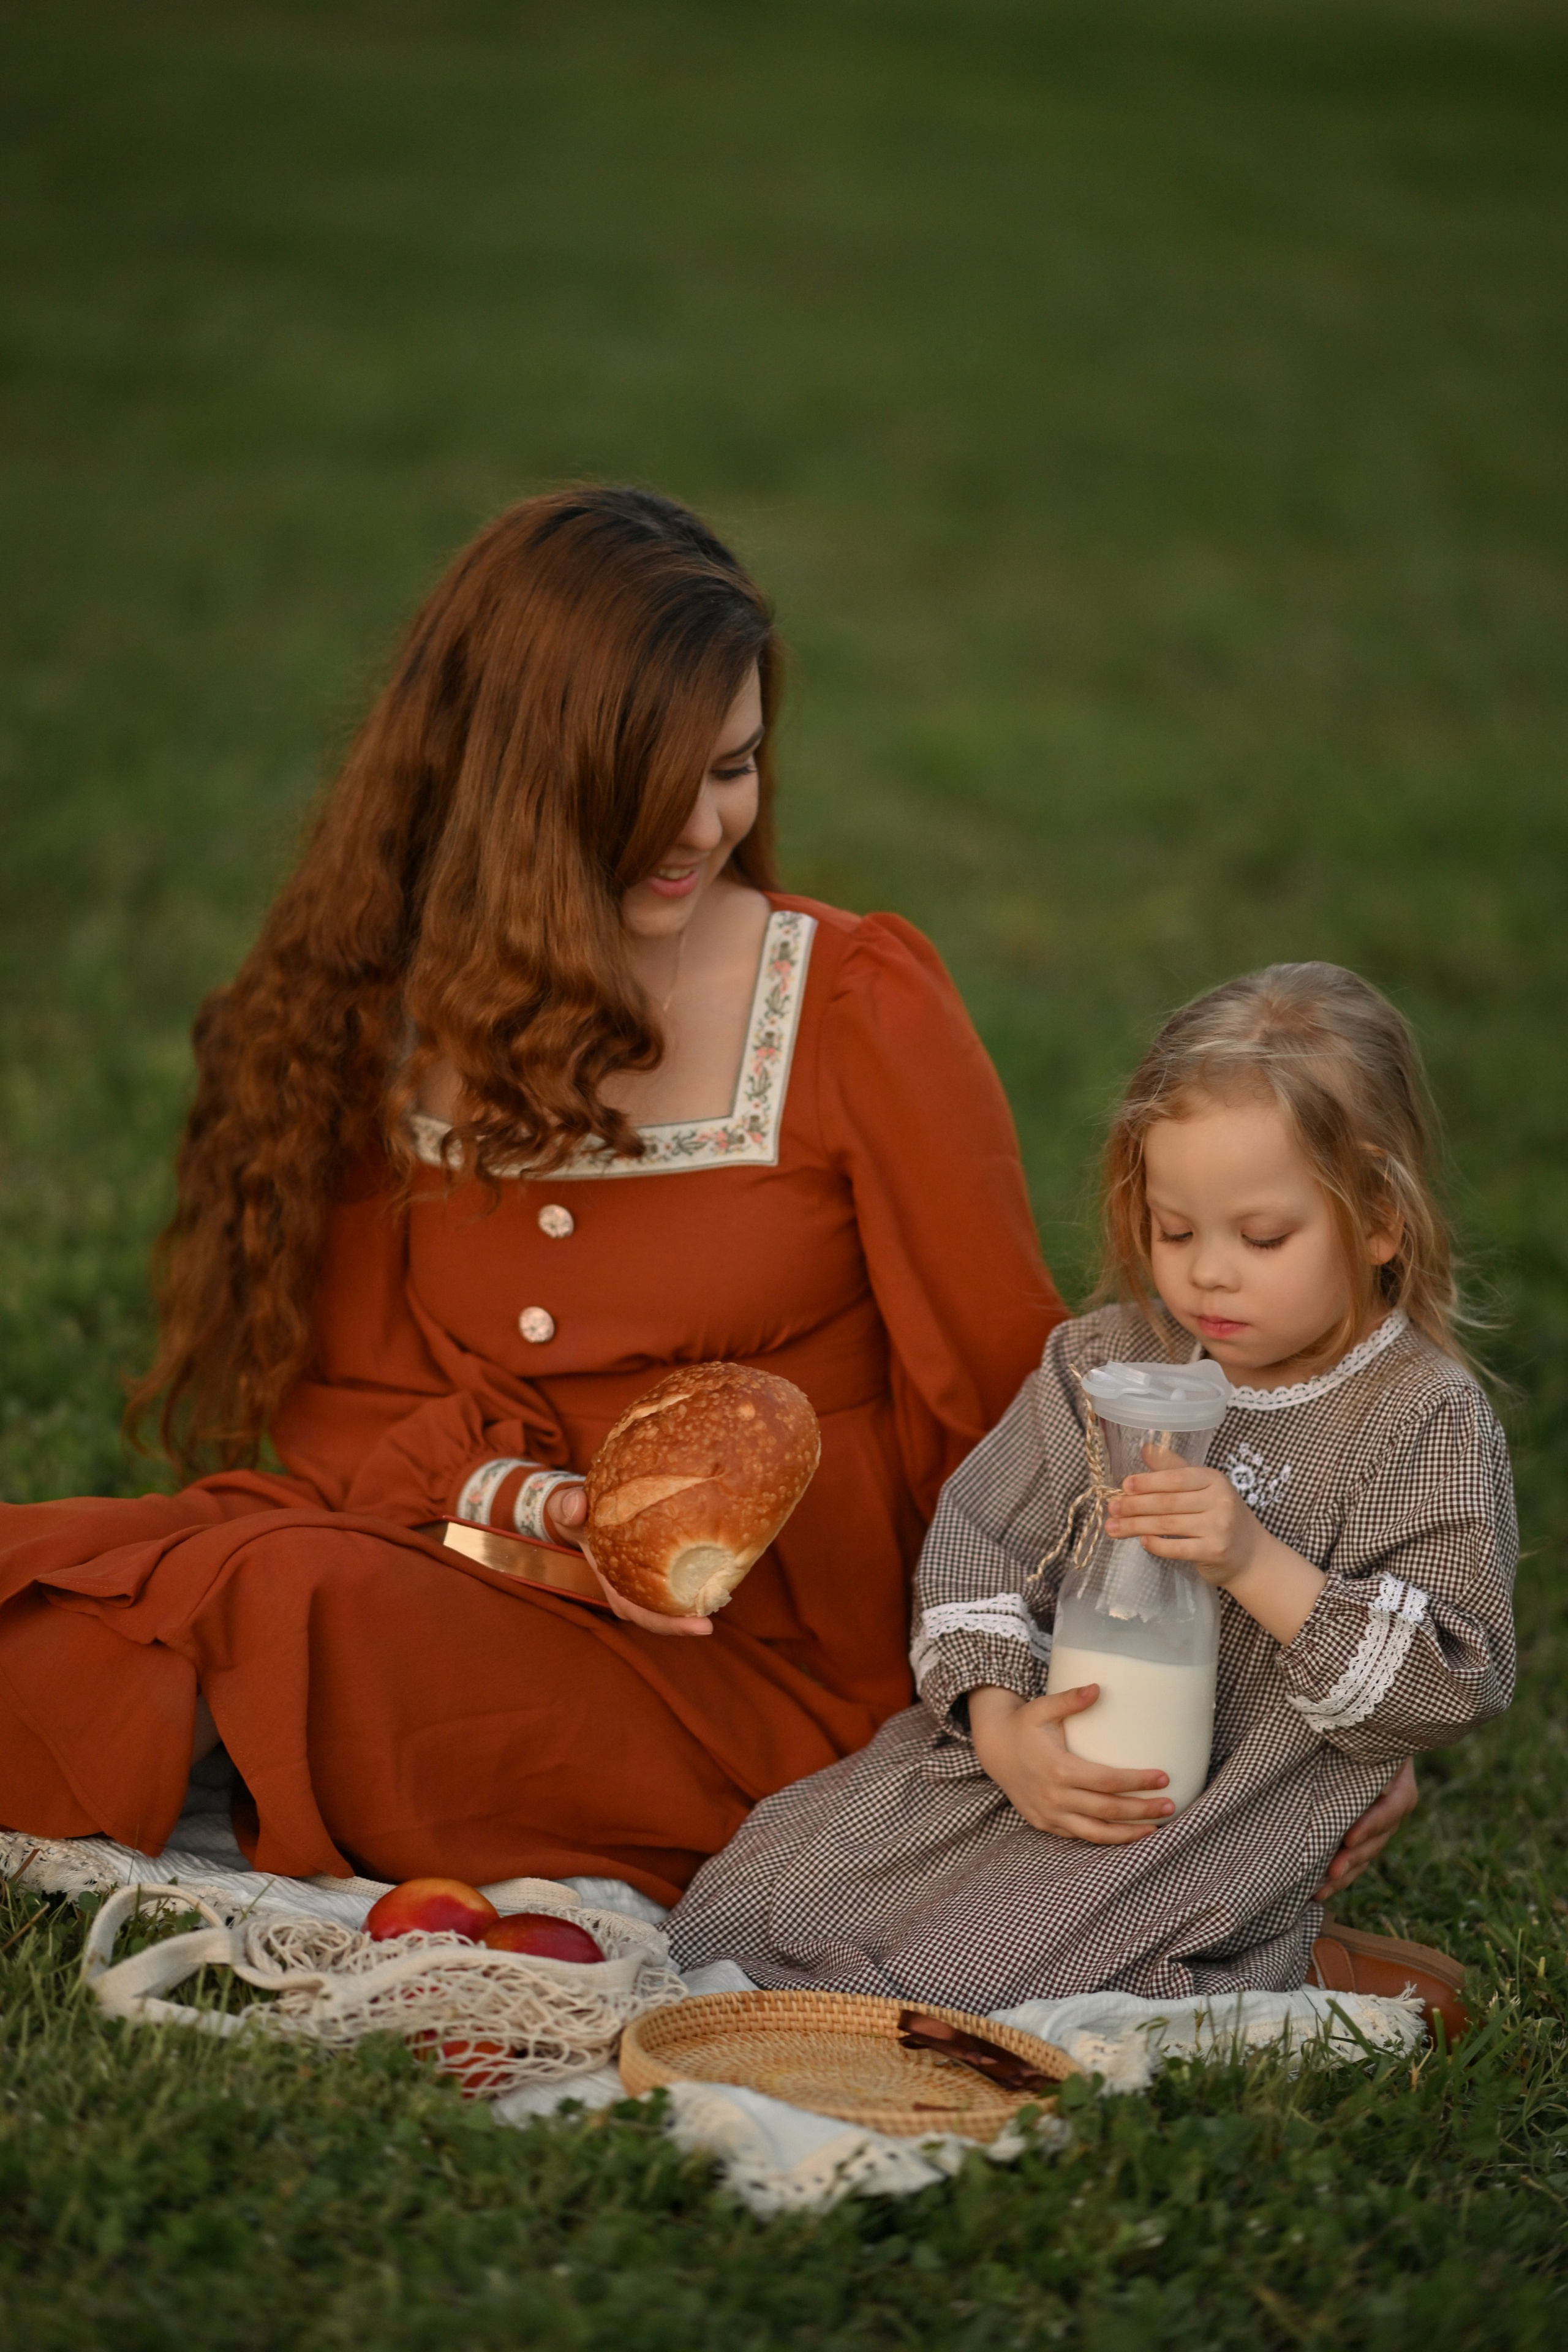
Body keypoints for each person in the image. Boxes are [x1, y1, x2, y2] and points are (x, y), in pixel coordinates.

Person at [0, 490, 1413, 1910]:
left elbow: (1007, 1395)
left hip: (781, 1671)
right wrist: (559, 1514)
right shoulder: (394, 1020)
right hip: (472, 1568)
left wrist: (1275, 1690)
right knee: (86, 1576)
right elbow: (353, 1416)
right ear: (521, 783)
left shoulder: (853, 1003)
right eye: (648, 784)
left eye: (734, 765)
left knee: (284, 1605)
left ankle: (216, 1750)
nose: (702, 825)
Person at [669, 963, 1515, 2007]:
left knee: (971, 1980)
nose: (1209, 1274)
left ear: (1380, 1218)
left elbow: (1451, 1670)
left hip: (1207, 1807)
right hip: (1041, 1740)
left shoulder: (1415, 1417)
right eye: (1174, 1231)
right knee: (752, 1907)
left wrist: (1250, 1558)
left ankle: (1283, 1956)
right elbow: (978, 1541)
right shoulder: (1104, 1368)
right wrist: (998, 1725)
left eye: (1261, 1238)